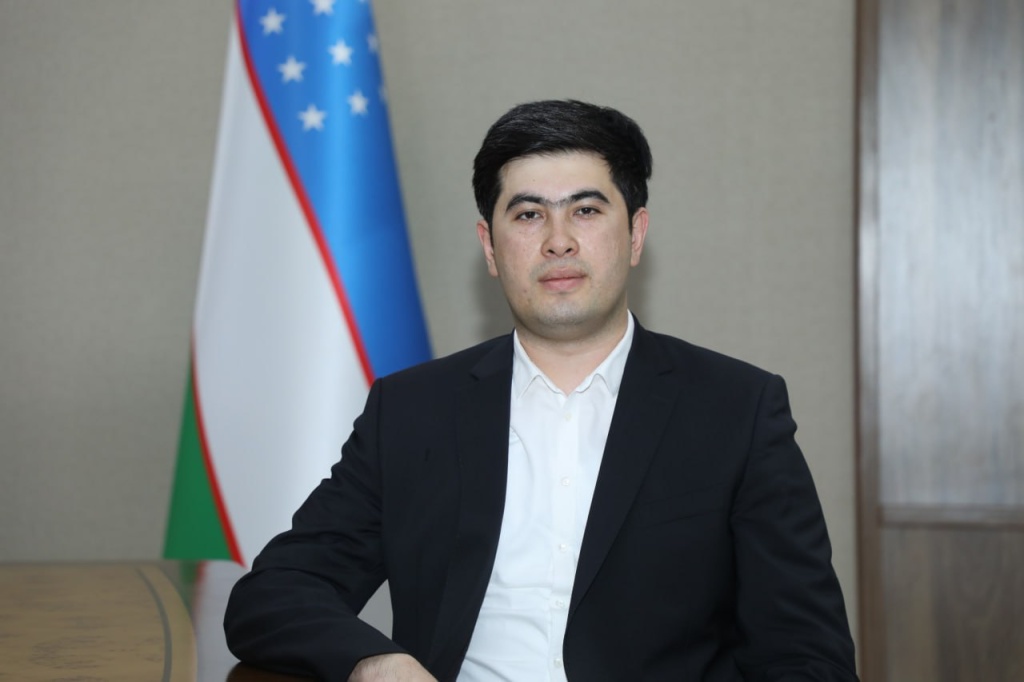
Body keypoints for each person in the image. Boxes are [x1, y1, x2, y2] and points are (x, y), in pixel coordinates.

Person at [224, 99, 859, 682]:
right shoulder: (413, 411)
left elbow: (808, 653)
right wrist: (373, 662)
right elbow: (274, 594)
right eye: (528, 215)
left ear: (636, 235)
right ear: (489, 247)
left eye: (586, 210)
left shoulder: (735, 410)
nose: (558, 240)